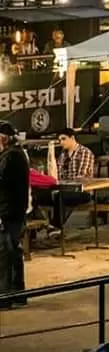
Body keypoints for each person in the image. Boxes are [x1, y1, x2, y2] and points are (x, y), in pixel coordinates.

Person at [0, 122, 28, 310]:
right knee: (13, 253)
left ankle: (6, 296)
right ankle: (18, 294)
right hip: (13, 210)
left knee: (5, 254)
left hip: (8, 212)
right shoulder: (14, 155)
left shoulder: (11, 156)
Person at [51, 129, 95, 231]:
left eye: (63, 139)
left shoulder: (84, 152)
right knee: (42, 196)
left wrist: (65, 184)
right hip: (66, 189)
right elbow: (59, 175)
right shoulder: (62, 156)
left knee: (60, 196)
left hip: (83, 191)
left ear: (72, 138)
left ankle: (56, 227)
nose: (61, 142)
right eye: (59, 140)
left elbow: (82, 176)